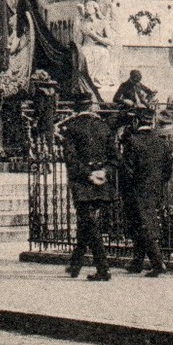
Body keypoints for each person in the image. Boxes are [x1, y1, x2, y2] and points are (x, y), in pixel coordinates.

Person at [59, 94, 117, 281]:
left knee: (89, 225)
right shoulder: (103, 126)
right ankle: (75, 265)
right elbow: (115, 158)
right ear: (91, 106)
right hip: (102, 181)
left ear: (76, 108)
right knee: (87, 223)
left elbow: (71, 159)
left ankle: (103, 268)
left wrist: (88, 174)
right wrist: (103, 172)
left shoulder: (72, 128)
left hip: (82, 183)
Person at [121, 108, 173, 276]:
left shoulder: (133, 142)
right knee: (141, 223)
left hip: (137, 189)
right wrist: (158, 184)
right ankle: (137, 262)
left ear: (136, 122)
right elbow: (167, 169)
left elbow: (127, 170)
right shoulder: (162, 142)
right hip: (156, 189)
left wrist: (128, 188)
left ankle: (157, 263)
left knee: (144, 224)